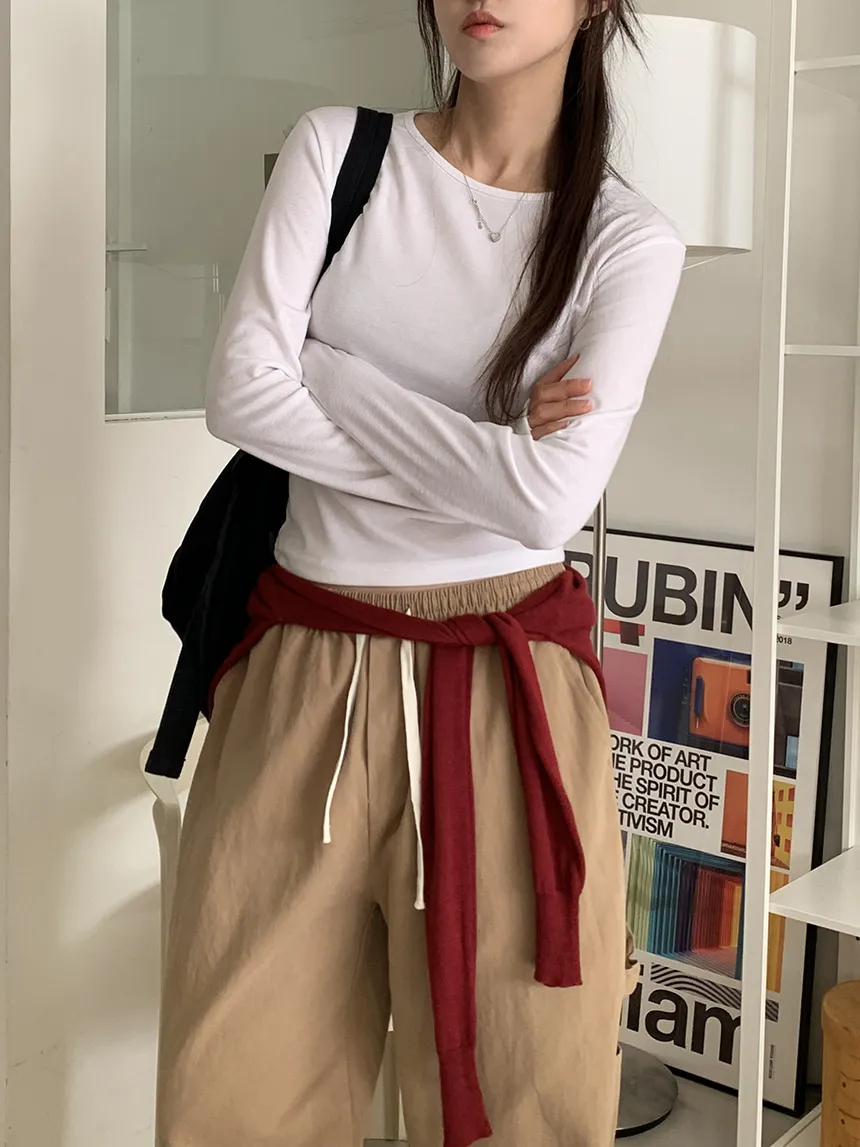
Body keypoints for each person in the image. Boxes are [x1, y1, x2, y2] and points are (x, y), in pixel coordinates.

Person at [154, 1, 685, 1145]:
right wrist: (489, 449)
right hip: (300, 674)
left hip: (510, 695)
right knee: (235, 1092)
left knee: (525, 1094)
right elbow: (240, 396)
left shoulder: (627, 241)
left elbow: (544, 503)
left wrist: (330, 373)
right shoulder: (338, 153)